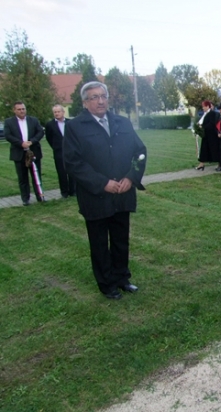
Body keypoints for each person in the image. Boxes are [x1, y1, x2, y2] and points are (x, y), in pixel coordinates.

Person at [63, 81, 147, 300]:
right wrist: (102, 183)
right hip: (96, 196)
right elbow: (73, 163)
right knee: (99, 243)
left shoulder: (122, 123)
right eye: (94, 97)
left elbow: (140, 152)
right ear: (85, 102)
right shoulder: (75, 127)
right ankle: (107, 284)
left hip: (122, 194)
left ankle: (122, 278)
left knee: (120, 240)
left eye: (103, 96)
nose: (100, 101)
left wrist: (131, 177)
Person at [4, 101, 45, 206]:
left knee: (36, 176)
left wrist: (32, 141)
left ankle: (40, 196)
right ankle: (25, 199)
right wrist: (21, 143)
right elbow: (8, 135)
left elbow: (40, 132)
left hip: (33, 151)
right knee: (23, 178)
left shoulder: (33, 120)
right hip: (19, 153)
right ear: (14, 110)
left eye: (23, 109)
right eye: (19, 109)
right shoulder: (9, 122)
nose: (22, 111)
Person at [45, 104, 76, 198]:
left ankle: (73, 190)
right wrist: (55, 147)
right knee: (61, 172)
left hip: (70, 151)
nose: (57, 113)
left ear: (63, 112)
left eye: (58, 111)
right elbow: (49, 138)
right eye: (55, 112)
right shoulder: (50, 125)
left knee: (72, 171)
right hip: (58, 152)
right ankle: (64, 192)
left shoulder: (70, 123)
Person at [195, 100, 221, 171]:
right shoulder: (205, 114)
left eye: (203, 106)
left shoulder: (212, 113)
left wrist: (203, 127)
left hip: (212, 135)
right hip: (206, 135)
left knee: (214, 149)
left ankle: (220, 163)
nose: (202, 108)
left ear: (207, 106)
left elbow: (212, 123)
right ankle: (201, 164)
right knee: (204, 149)